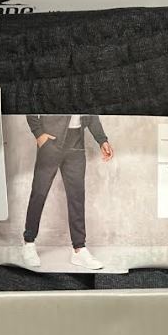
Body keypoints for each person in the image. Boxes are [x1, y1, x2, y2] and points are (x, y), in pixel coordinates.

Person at [22, 114, 114, 270]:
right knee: (39, 192)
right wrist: (39, 134)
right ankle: (28, 242)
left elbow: (92, 115)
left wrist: (102, 140)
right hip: (50, 141)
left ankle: (79, 249)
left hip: (76, 143)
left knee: (77, 197)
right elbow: (30, 106)